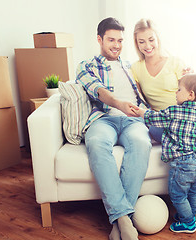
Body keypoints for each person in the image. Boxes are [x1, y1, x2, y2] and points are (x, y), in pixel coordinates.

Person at [76, 17, 151, 240]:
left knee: (141, 143)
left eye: (120, 40)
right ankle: (124, 219)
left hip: (133, 120)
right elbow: (98, 90)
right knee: (97, 143)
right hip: (103, 118)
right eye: (111, 40)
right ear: (99, 39)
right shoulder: (86, 65)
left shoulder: (129, 66)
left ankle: (120, 222)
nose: (116, 45)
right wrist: (119, 104)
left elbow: (148, 87)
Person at [132, 73, 196, 233]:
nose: (176, 92)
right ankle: (188, 215)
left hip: (183, 164)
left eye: (179, 89)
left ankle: (188, 223)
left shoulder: (176, 112)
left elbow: (155, 118)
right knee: (194, 191)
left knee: (177, 195)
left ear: (191, 95)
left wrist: (140, 112)